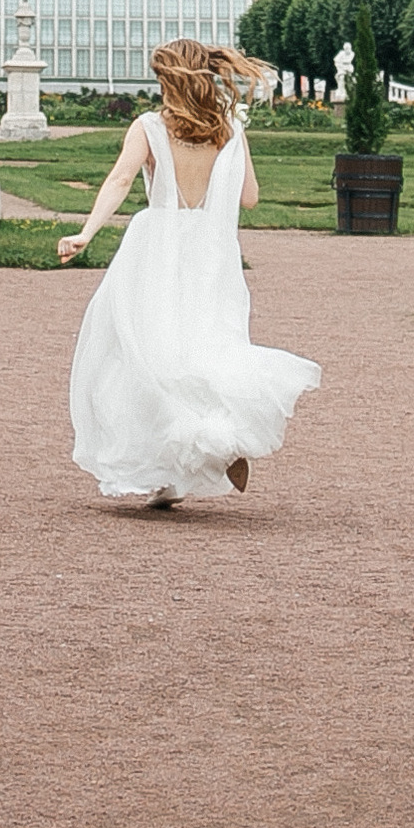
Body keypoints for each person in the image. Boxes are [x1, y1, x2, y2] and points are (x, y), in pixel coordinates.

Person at [58, 40, 321, 505]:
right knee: (206, 348)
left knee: (145, 352)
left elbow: (120, 179)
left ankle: (169, 467)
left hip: (157, 247)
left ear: (169, 79)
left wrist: (86, 232)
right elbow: (250, 198)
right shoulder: (230, 128)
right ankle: (208, 447)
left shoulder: (149, 126)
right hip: (212, 253)